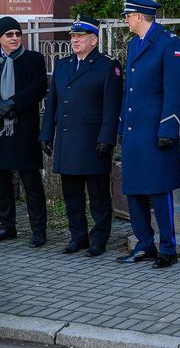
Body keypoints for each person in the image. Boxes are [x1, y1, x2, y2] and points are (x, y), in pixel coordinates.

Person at [39, 16, 123, 256]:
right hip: (67, 139)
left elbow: (112, 107)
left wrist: (107, 138)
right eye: (73, 37)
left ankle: (99, 239)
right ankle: (78, 236)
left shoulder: (107, 66)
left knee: (97, 196)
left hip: (92, 140)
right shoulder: (63, 65)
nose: (74, 41)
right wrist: (46, 134)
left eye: (80, 37)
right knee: (72, 194)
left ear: (93, 40)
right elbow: (52, 102)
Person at [115, 0, 180, 269]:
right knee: (134, 191)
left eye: (128, 15)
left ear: (140, 16)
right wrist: (122, 126)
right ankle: (145, 244)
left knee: (159, 191)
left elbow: (174, 90)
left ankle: (168, 248)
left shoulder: (169, 44)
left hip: (157, 131)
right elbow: (129, 91)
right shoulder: (134, 44)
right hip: (135, 131)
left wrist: (168, 126)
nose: (126, 20)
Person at [0, 16, 48, 247]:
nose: (15, 38)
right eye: (9, 34)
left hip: (24, 129)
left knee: (31, 182)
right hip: (1, 131)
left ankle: (38, 230)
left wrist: (14, 103)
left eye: (17, 34)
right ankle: (7, 226)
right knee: (2, 182)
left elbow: (39, 87)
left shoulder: (33, 59)